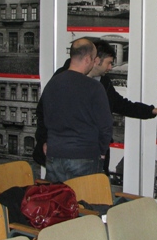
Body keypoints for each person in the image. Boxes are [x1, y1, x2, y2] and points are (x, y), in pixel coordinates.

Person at [34, 38, 157, 173]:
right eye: (109, 63)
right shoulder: (62, 77)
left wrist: (151, 110)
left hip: (88, 156)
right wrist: (44, 141)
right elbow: (43, 112)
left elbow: (121, 105)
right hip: (59, 156)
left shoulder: (103, 83)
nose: (110, 67)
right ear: (95, 60)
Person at [40, 38, 113, 182]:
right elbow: (106, 126)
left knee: (57, 196)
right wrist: (101, 151)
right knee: (84, 197)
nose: (94, 63)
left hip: (55, 155)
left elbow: (45, 118)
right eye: (94, 59)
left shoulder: (52, 83)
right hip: (85, 156)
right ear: (87, 59)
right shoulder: (94, 87)